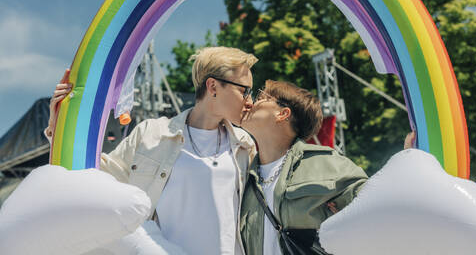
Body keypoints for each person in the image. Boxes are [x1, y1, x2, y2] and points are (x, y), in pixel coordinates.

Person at [45, 46, 258, 255]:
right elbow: (92, 177)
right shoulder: (152, 134)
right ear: (212, 86)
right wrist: (59, 126)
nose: (250, 101)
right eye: (244, 90)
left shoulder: (245, 145)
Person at [239, 80, 368, 255]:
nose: (250, 102)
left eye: (262, 96)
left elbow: (378, 212)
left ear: (282, 114)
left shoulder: (325, 164)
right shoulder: (243, 175)